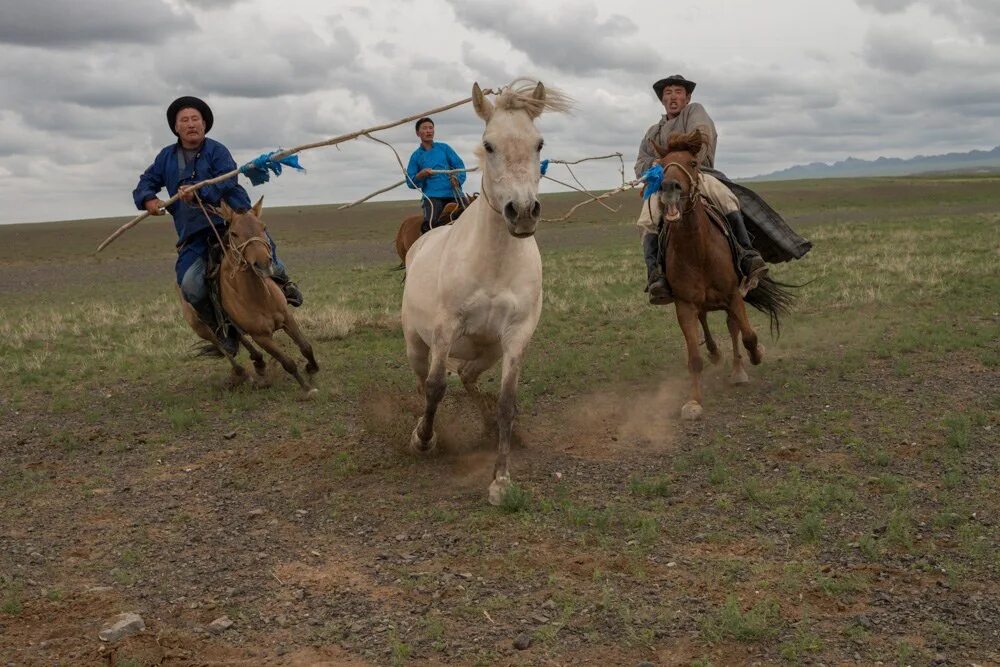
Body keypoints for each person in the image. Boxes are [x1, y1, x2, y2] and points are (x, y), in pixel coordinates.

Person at [132, 96, 302, 353]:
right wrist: (149, 200)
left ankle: (286, 285)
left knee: (265, 254)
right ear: (176, 127)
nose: (191, 124)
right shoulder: (166, 158)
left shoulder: (217, 151)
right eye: (184, 120)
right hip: (195, 234)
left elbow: (226, 181)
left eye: (195, 119)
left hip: (232, 221)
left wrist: (199, 192)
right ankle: (223, 330)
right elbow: (145, 183)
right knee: (190, 285)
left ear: (204, 124)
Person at [634, 75, 767, 305]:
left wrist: (673, 161)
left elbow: (701, 141)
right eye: (667, 93)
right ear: (662, 99)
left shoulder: (694, 111)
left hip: (697, 175)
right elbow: (640, 164)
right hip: (664, 184)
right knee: (648, 217)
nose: (673, 96)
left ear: (687, 97)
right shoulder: (652, 132)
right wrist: (655, 167)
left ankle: (747, 255)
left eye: (678, 91)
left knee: (724, 197)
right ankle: (656, 275)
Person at [406, 117, 468, 233]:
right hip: (433, 197)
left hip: (454, 193)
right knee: (429, 226)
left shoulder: (444, 148)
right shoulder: (416, 156)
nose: (429, 131)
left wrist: (457, 179)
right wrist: (421, 174)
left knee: (473, 218)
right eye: (425, 128)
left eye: (431, 128)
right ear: (418, 133)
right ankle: (427, 250)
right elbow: (410, 182)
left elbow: (460, 167)